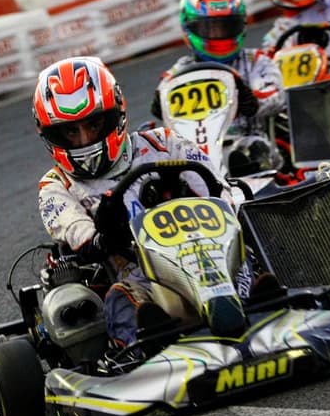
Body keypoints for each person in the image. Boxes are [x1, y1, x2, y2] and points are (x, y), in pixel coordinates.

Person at [33, 56, 256, 356]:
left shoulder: (165, 144)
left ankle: (259, 304)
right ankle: (151, 350)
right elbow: (77, 233)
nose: (85, 139)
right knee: (119, 299)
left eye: (94, 125)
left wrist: (209, 202)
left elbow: (217, 191)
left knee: (244, 253)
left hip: (207, 255)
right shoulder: (56, 185)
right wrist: (106, 234)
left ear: (116, 114)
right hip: (139, 278)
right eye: (71, 132)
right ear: (51, 135)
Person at [151, 0, 285, 176]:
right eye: (210, 29)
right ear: (189, 28)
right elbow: (163, 94)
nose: (219, 35)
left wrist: (251, 100)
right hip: (196, 154)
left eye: (227, 27)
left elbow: (277, 96)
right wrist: (160, 102)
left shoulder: (257, 61)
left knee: (251, 151)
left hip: (250, 145)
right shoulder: (180, 72)